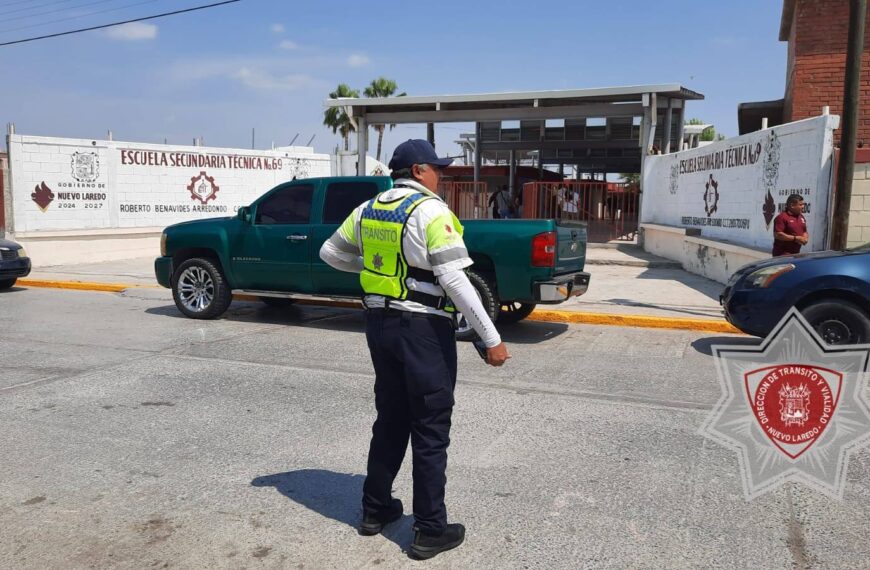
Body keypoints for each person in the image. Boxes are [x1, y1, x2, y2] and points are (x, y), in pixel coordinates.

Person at [319, 139, 510, 560]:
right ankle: (429, 530)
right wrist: (492, 339)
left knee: (390, 417)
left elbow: (329, 253)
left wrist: (374, 267)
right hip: (422, 330)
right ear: (420, 170)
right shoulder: (431, 211)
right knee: (429, 427)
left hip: (379, 326)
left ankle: (375, 510)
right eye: (437, 169)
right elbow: (456, 281)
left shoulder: (368, 209)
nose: (441, 176)